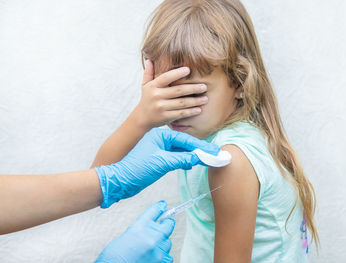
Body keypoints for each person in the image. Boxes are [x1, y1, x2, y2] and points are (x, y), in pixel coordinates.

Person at [93, 0, 320, 262]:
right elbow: (98, 182)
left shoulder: (232, 160)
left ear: (240, 83)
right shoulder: (207, 134)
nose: (179, 108)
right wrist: (140, 118)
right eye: (167, 90)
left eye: (192, 93)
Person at [0, 63, 219, 263]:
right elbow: (101, 168)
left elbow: (98, 174)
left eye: (195, 93)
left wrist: (110, 180)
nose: (178, 112)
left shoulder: (236, 152)